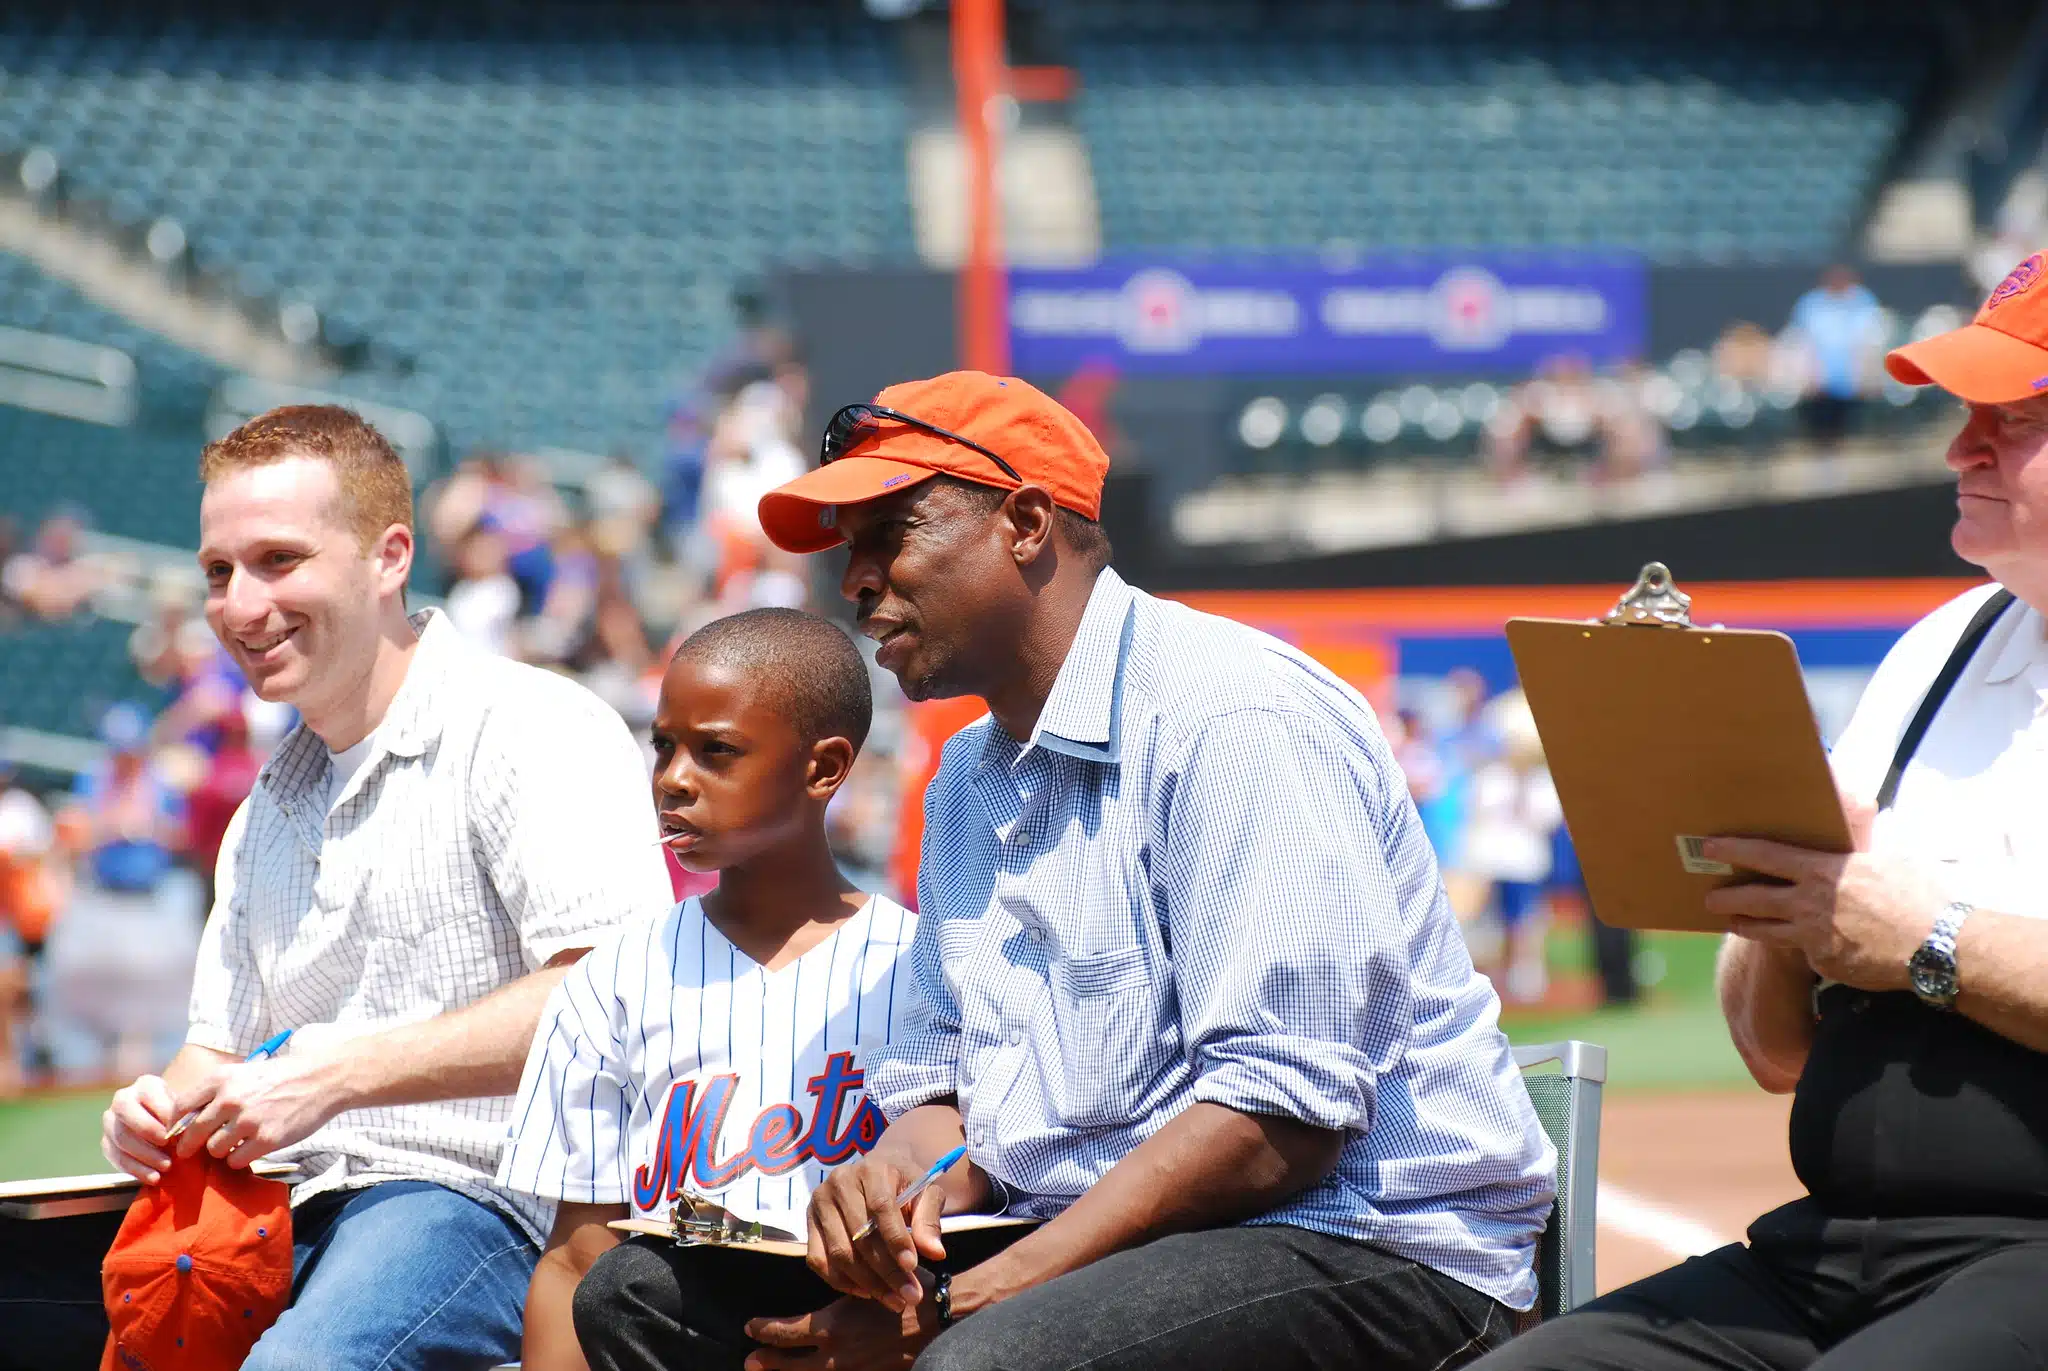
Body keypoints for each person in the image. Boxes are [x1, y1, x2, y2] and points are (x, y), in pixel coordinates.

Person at [707, 372, 1555, 1371]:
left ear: (1023, 522)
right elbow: (950, 1086)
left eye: (888, 534)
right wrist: (898, 1179)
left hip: (1371, 1243)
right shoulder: (965, 778)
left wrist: (963, 1303)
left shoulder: (1232, 719)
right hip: (1110, 1231)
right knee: (653, 1300)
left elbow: (1279, 1124)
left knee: (978, 1365)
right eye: (849, 548)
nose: (853, 580)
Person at [0, 405, 674, 1371]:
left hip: (481, 1198)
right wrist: (150, 1107)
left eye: (279, 560)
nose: (238, 604)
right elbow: (216, 1052)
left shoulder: (528, 726)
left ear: (390, 556)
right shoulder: (263, 812)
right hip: (274, 1206)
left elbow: (613, 994)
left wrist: (342, 1073)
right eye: (219, 572)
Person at [1467, 252, 2048, 1370]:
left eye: (2011, 419)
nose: (1956, 446)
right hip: (1828, 1249)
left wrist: (1923, 940)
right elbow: (1772, 1052)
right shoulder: (1941, 646)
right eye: (1963, 412)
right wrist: (1785, 884)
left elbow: (1907, 940)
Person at [500, 607, 931, 1371]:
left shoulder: (923, 964)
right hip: (681, 1337)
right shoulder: (612, 978)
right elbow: (575, 1261)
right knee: (625, 1282)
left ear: (824, 767)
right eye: (664, 745)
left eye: (716, 751)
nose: (673, 778)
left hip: (871, 1339)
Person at [40, 702, 195, 1084]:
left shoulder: (161, 779)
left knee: (156, 1008)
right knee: (94, 1005)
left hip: (152, 901)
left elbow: (183, 837)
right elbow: (73, 836)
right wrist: (111, 825)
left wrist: (148, 825)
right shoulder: (93, 779)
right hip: (104, 901)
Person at [1787, 265, 1887, 451]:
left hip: (1852, 383)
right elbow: (1802, 342)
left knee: (1851, 432)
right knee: (1822, 433)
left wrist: (1870, 376)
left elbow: (1871, 341)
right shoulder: (1811, 304)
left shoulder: (1863, 301)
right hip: (1821, 384)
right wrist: (1807, 376)